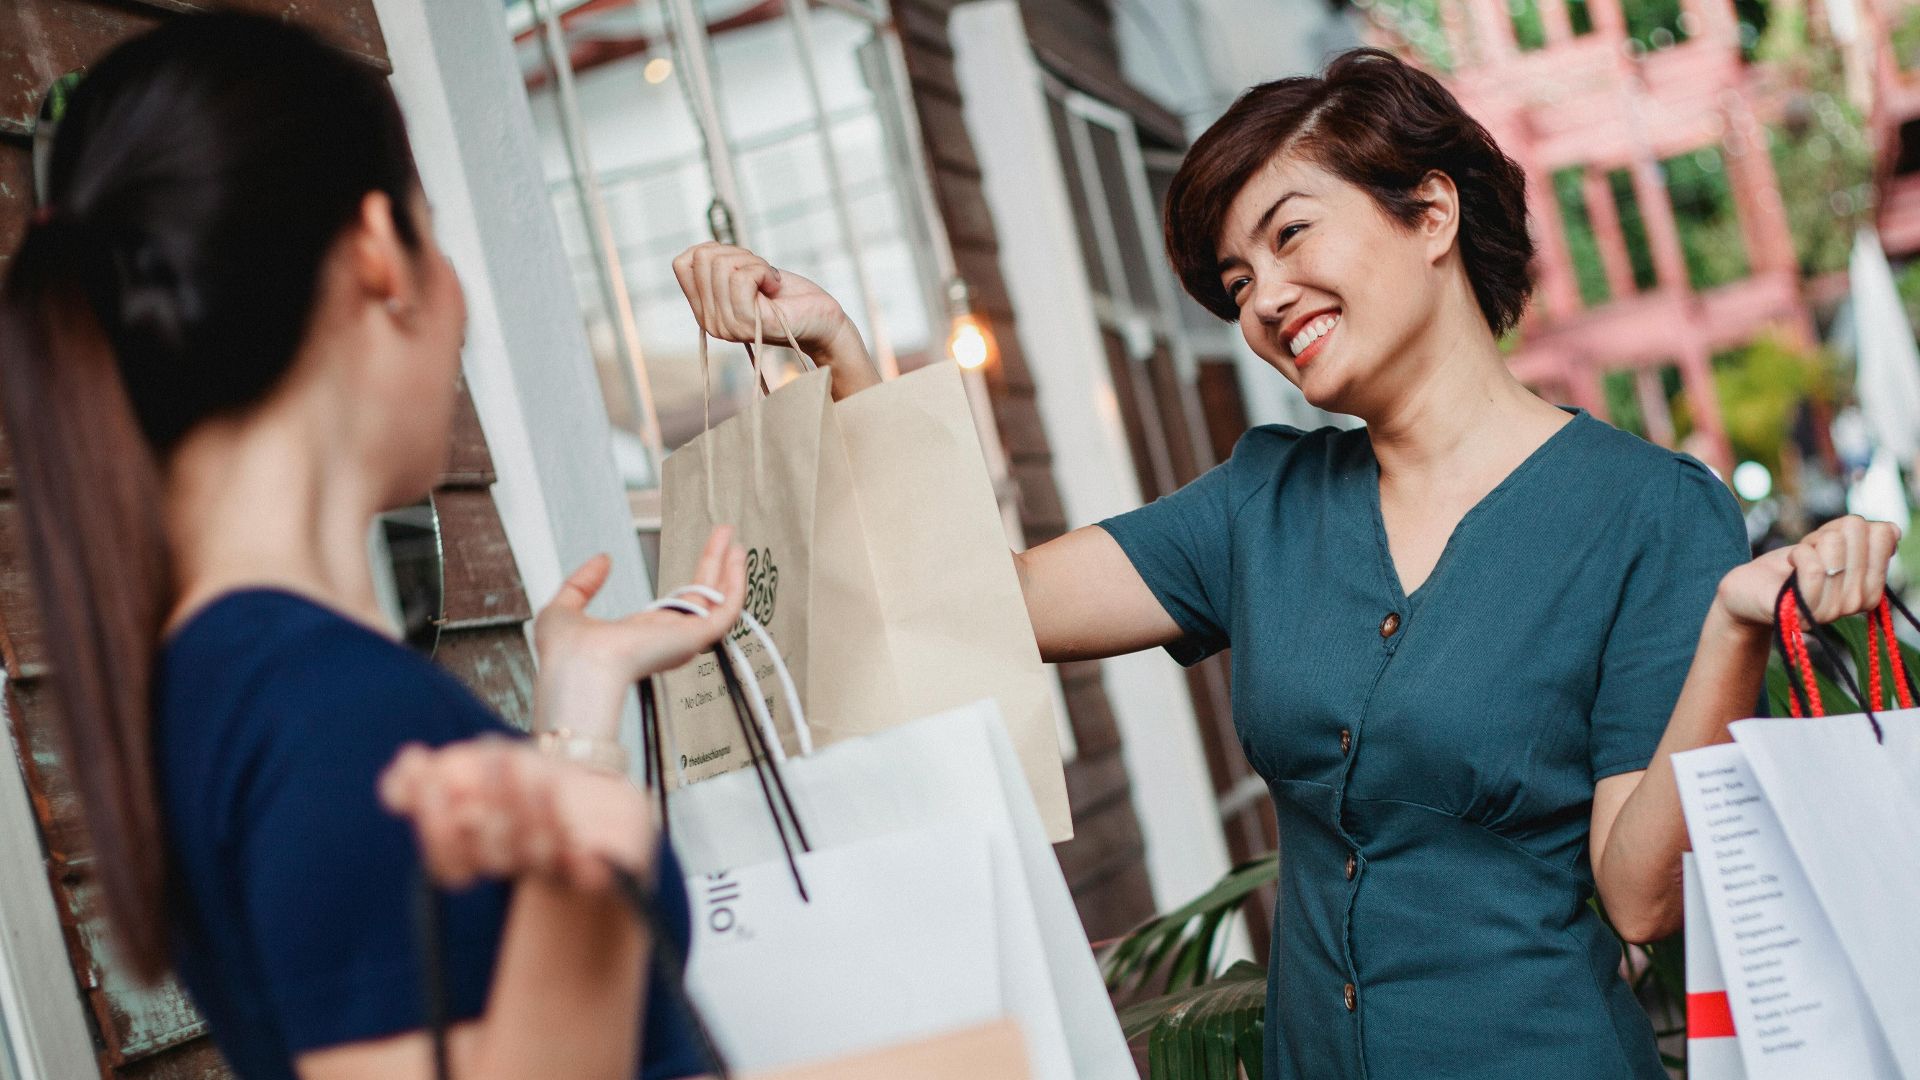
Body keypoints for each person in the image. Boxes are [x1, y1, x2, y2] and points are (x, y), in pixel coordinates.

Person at [673, 47, 1901, 1080]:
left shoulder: (1648, 512)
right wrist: (838, 348)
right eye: (1237, 280)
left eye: (1289, 235)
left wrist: (1737, 627)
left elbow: (1640, 895)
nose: (1263, 299)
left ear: (1430, 213)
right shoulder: (1263, 502)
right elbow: (982, 600)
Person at [0, 15, 737, 1080]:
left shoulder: (238, 685)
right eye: (434, 231)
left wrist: (577, 707)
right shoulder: (331, 720)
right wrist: (592, 889)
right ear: (382, 255)